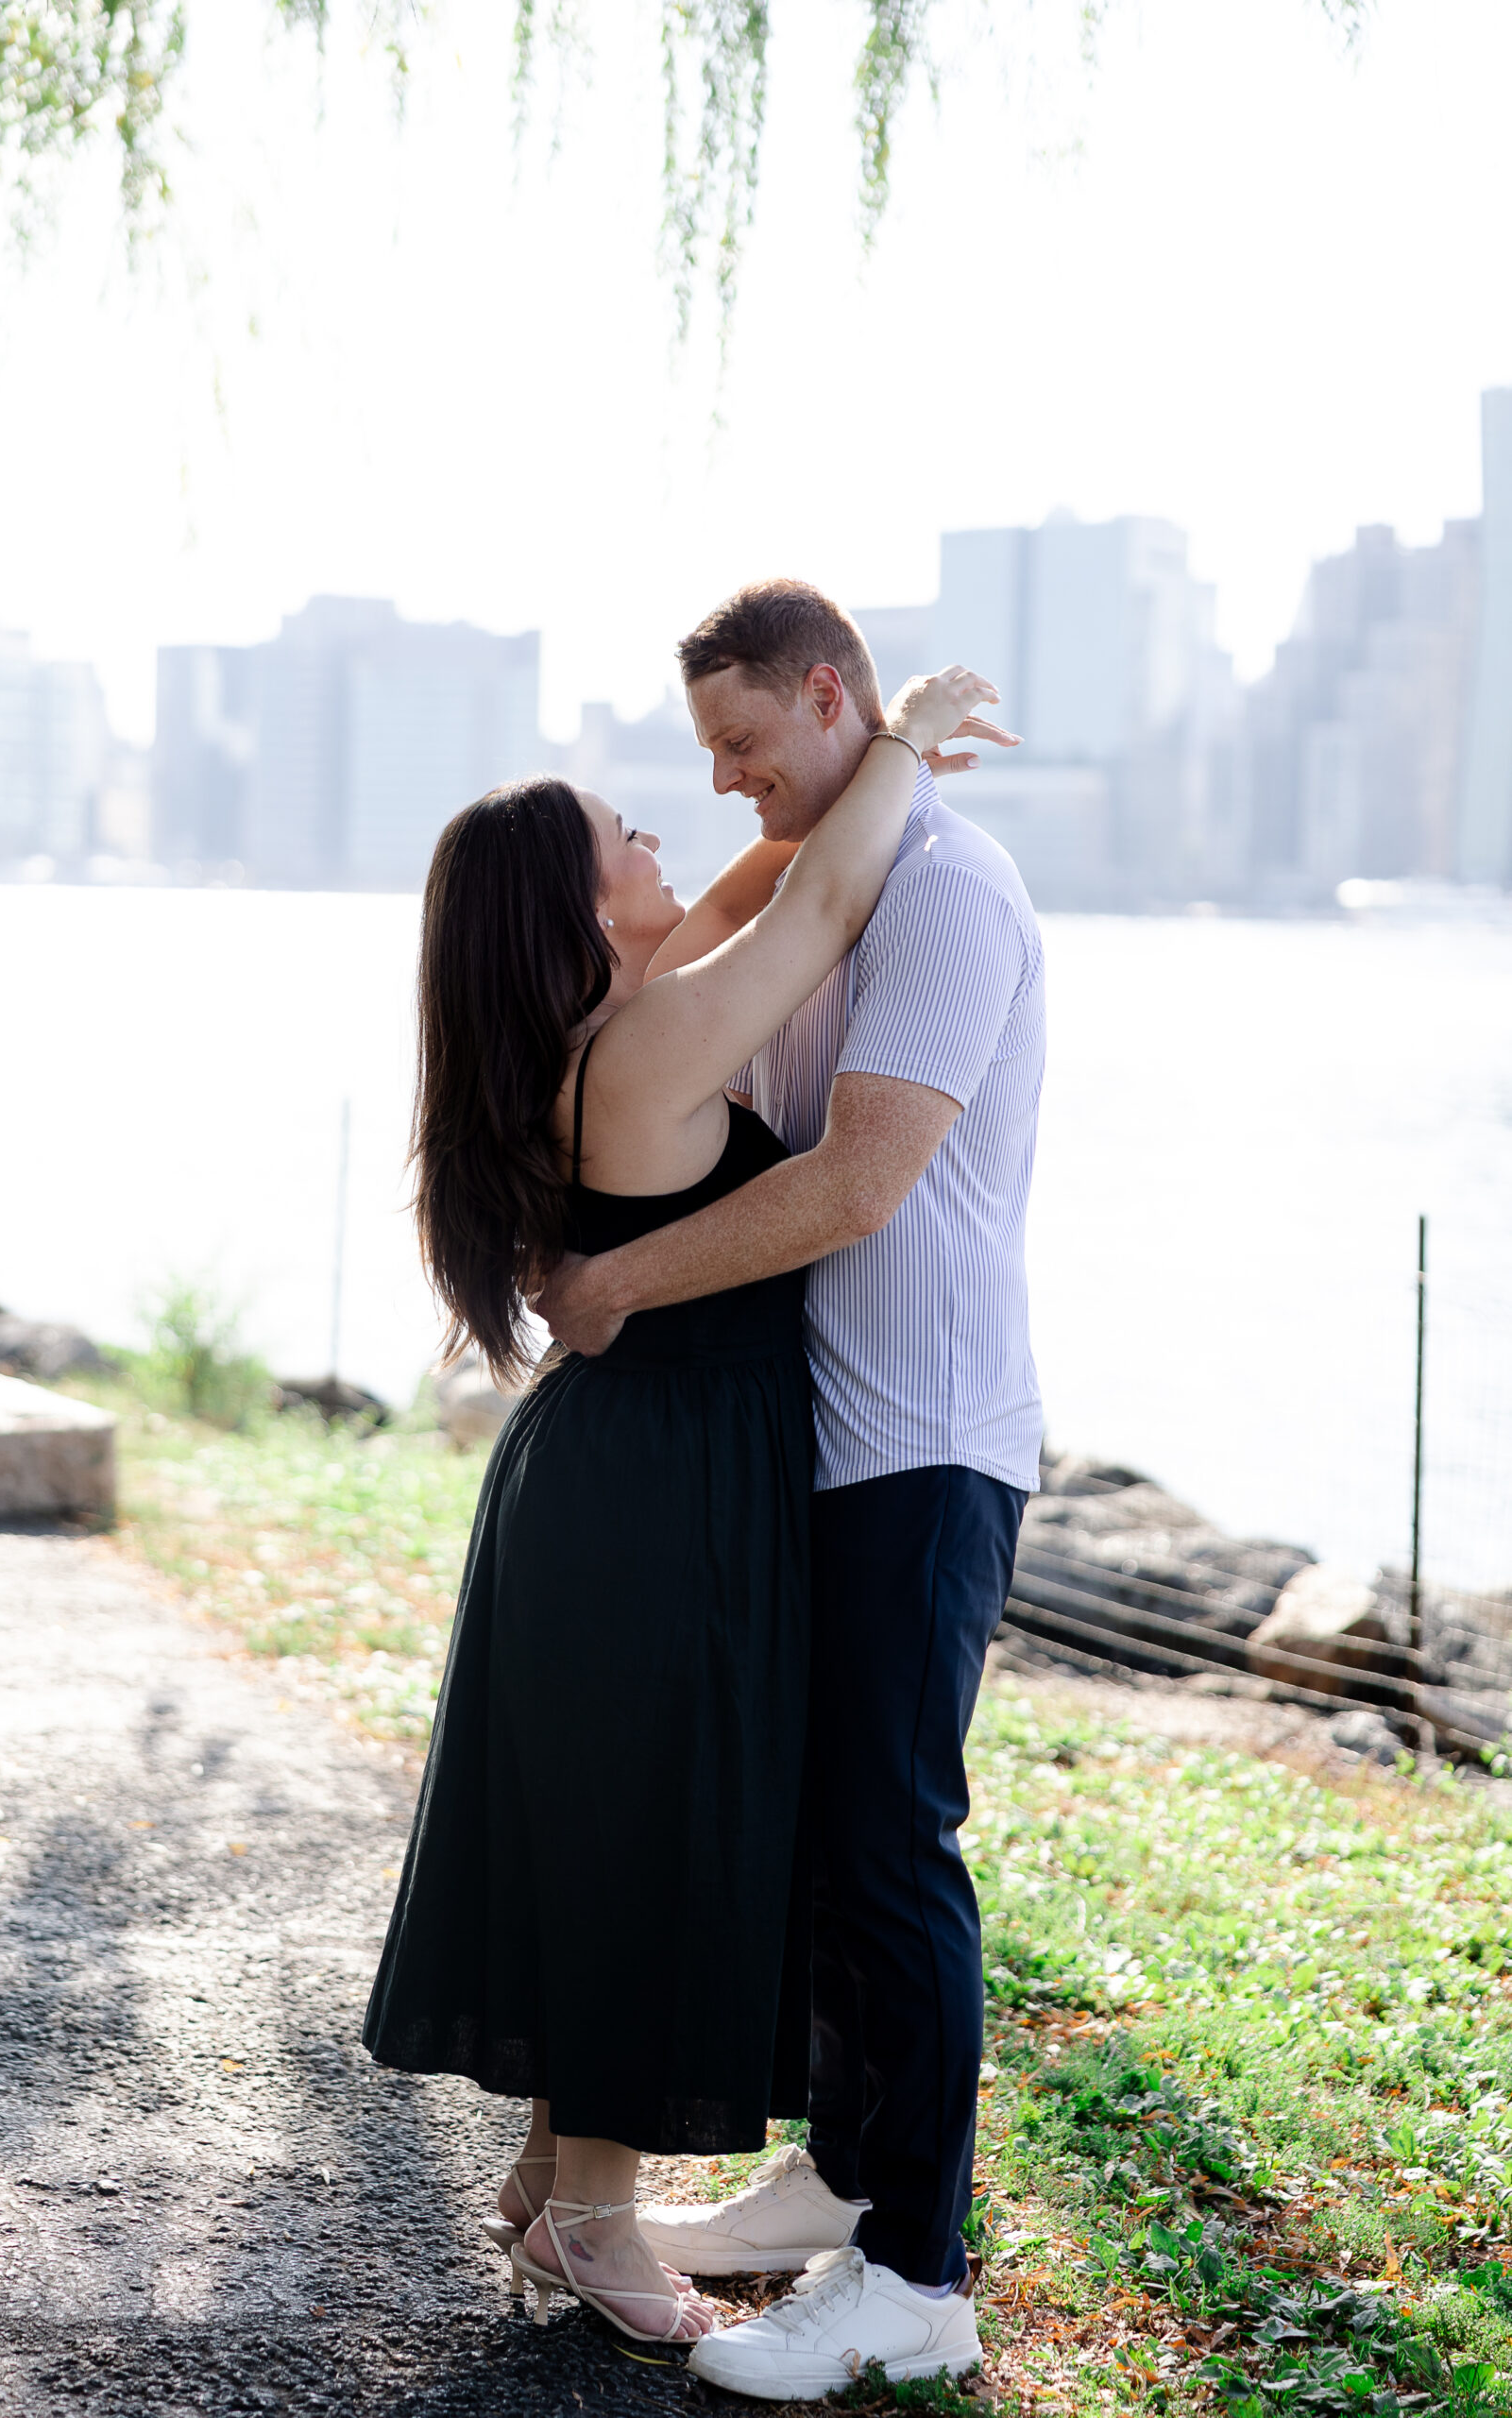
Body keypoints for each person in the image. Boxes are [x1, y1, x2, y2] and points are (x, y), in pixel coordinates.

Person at [361, 661, 1002, 2350]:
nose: (665, 831)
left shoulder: (599, 1024)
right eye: (619, 834)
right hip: (654, 1491)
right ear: (576, 908)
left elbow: (759, 882)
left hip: (626, 1472)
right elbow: (828, 894)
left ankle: (549, 2178)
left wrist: (849, 767)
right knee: (646, 1839)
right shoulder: (644, 1043)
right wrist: (913, 742)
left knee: (607, 1822)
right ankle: (590, 2214)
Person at [537, 577, 1046, 2400]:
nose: (736, 785)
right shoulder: (815, 887)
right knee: (826, 1853)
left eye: (750, 746)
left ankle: (916, 2280)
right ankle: (838, 2175)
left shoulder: (945, 890)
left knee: (892, 1852)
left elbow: (856, 1187)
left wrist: (609, 1287)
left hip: (923, 1433)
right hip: (814, 1447)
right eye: (711, 762)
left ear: (831, 697)